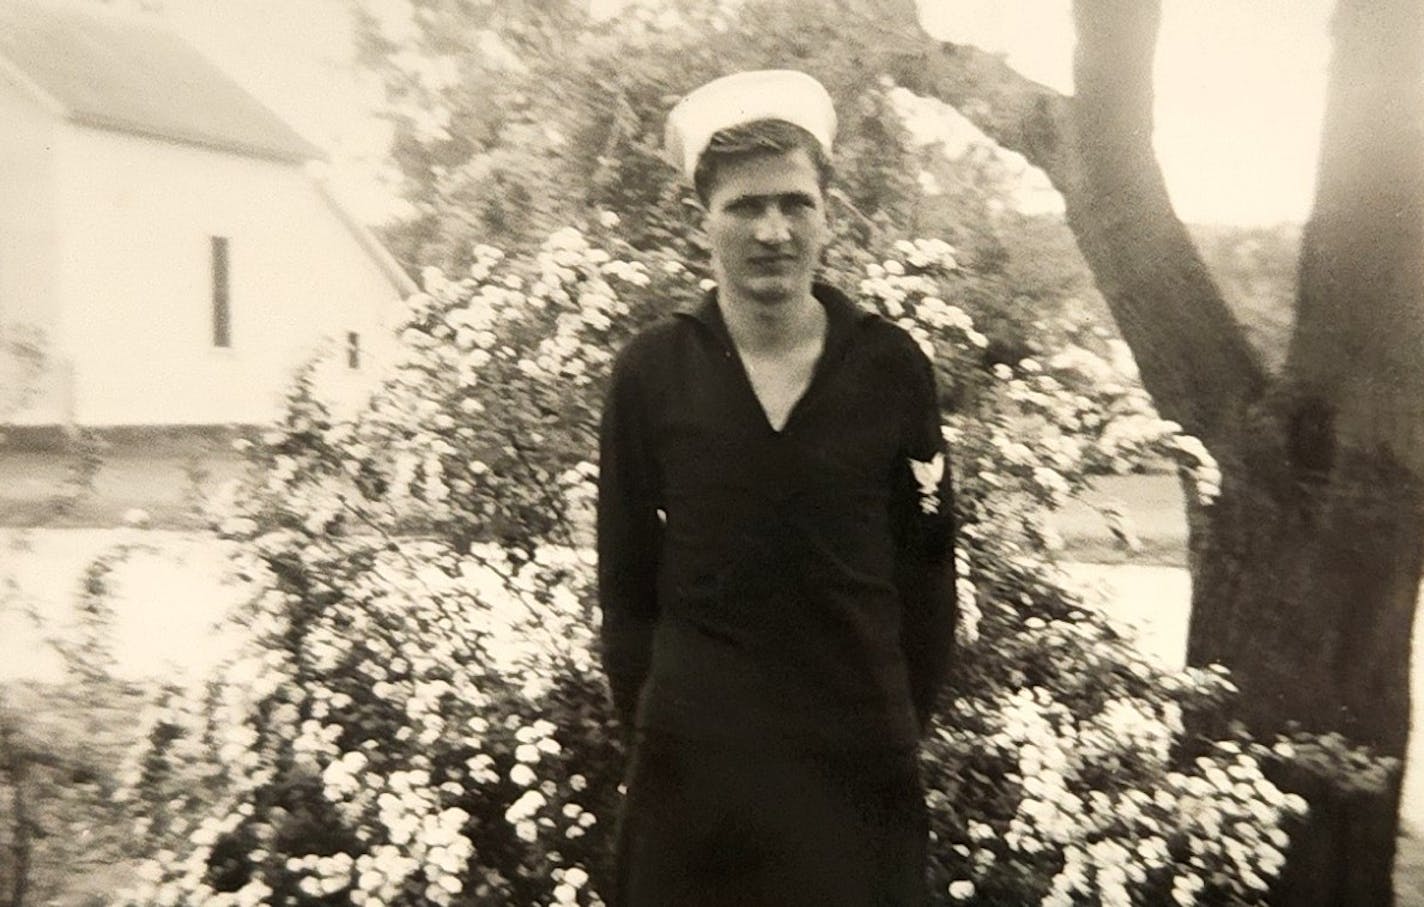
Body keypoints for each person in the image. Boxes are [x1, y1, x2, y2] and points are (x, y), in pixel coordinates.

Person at [596, 69, 957, 906]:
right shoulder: (651, 373)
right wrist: (664, 729)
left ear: (828, 213)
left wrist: (891, 725)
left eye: (795, 203)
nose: (772, 230)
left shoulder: (890, 366)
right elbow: (624, 589)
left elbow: (930, 571)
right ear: (703, 222)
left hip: (855, 778)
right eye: (745, 206)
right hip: (695, 785)